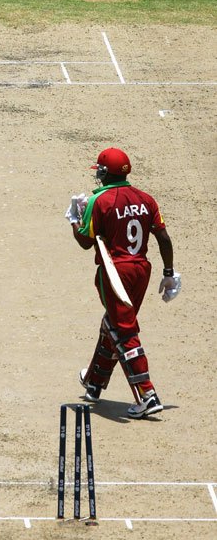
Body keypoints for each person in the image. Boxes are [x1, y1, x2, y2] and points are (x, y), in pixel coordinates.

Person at [65, 148, 181, 418]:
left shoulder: (100, 201)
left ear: (104, 173)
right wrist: (169, 272)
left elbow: (85, 241)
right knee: (114, 323)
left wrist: (74, 220)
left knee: (124, 330)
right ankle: (94, 382)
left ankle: (147, 394)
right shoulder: (146, 199)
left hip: (115, 271)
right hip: (142, 270)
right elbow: (163, 238)